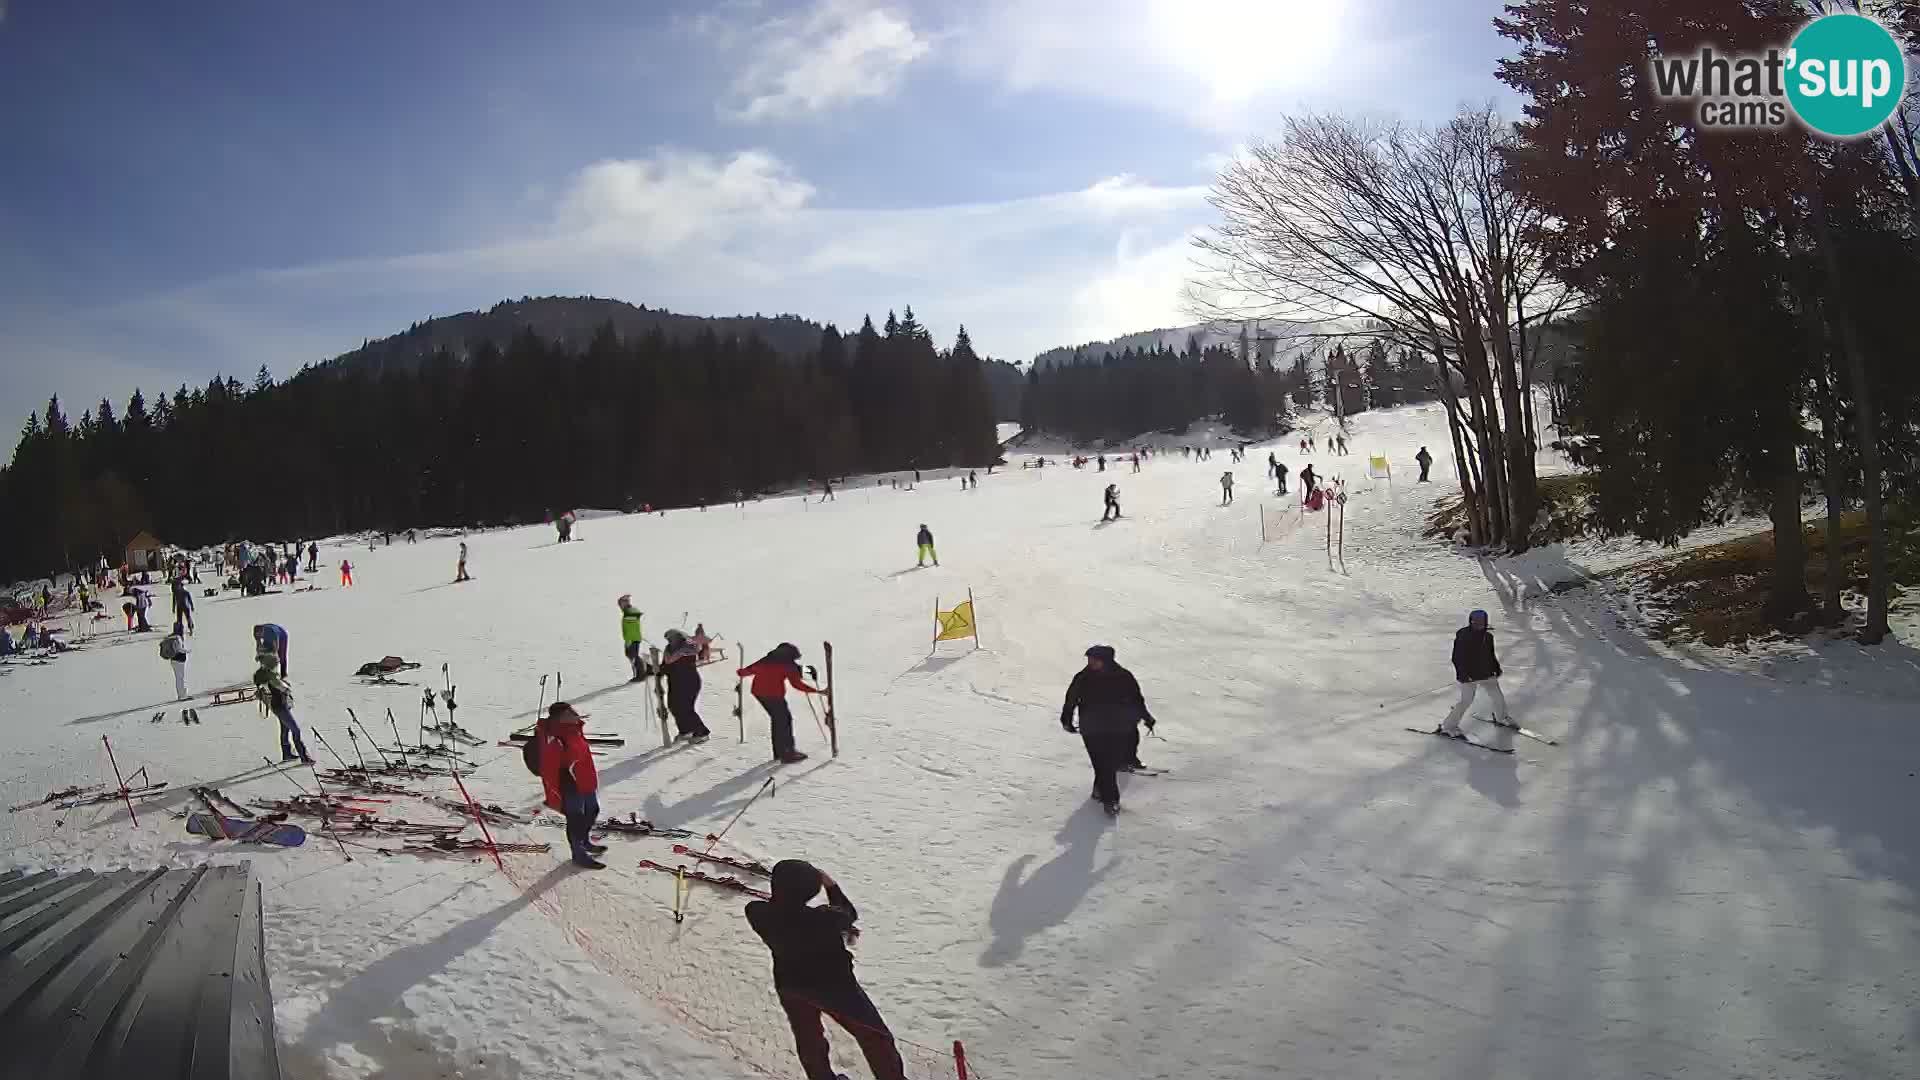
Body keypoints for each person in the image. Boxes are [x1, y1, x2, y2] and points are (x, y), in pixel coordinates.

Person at [745, 860, 907, 1080]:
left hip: (791, 986)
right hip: (837, 989)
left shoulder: (756, 911)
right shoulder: (825, 918)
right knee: (876, 1038)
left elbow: (794, 913)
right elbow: (848, 913)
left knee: (809, 1038)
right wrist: (831, 886)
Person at [1060, 645, 1156, 815]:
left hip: (1116, 727)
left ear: (1106, 661)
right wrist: (1066, 719)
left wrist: (1146, 717)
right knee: (1102, 762)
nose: (1091, 663)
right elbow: (1071, 699)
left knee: (1107, 764)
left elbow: (1136, 699)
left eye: (1095, 660)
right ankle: (1110, 800)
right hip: (1091, 727)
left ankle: (1100, 789)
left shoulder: (1123, 677)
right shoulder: (1083, 678)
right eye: (1089, 659)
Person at [539, 702, 606, 869]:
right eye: (568, 712)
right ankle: (578, 854)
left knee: (592, 810)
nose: (574, 713)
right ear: (559, 718)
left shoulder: (575, 729)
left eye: (572, 710)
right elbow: (551, 766)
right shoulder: (556, 736)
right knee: (576, 819)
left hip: (585, 778)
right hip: (570, 783)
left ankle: (584, 842)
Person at [738, 643, 824, 764]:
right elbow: (797, 684)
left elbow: (748, 670)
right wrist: (817, 691)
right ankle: (788, 753)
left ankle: (779, 752)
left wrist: (741, 672)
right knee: (784, 721)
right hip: (773, 696)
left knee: (778, 720)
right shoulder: (787, 665)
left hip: (759, 693)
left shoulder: (768, 659)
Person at [1438, 609, 1510, 738]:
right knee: (1466, 701)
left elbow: (1491, 655)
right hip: (1469, 677)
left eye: (1481, 622)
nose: (1478, 624)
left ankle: (1501, 718)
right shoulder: (1463, 635)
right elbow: (1457, 657)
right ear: (1471, 621)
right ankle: (1448, 726)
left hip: (1487, 674)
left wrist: (1496, 668)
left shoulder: (1488, 637)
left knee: (1498, 697)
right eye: (1475, 621)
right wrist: (1462, 674)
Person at [254, 650, 313, 764]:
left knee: (285, 729)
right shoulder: (272, 677)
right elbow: (284, 688)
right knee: (295, 729)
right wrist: (287, 687)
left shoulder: (266, 675)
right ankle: (304, 756)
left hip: (278, 706)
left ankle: (287, 754)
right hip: (281, 706)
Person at [660, 629, 712, 742]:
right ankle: (686, 731)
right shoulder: (669, 650)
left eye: (671, 638)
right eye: (668, 639)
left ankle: (702, 733)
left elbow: (676, 665)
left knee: (685, 708)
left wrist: (664, 668)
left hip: (689, 682)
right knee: (673, 706)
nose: (670, 641)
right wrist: (657, 670)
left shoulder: (688, 649)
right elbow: (665, 666)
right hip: (675, 683)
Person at [618, 595, 647, 681]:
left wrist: (628, 641)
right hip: (633, 638)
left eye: (621, 604)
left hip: (632, 638)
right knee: (631, 655)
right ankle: (640, 673)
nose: (620, 606)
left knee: (633, 656)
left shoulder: (629, 612)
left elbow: (631, 628)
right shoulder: (630, 611)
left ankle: (640, 675)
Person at [162, 620, 190, 701]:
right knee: (180, 678)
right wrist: (187, 651)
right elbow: (179, 649)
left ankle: (181, 694)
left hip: (173, 660)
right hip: (179, 660)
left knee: (178, 678)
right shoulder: (177, 638)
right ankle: (182, 695)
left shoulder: (170, 637)